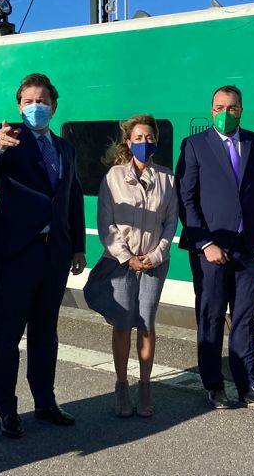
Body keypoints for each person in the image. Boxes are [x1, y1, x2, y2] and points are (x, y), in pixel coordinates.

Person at [0, 73, 86, 439]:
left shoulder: (65, 148)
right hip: (16, 253)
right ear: (20, 106)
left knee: (45, 334)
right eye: (28, 101)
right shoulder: (11, 141)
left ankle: (45, 402)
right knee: (7, 336)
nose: (35, 106)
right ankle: (6, 410)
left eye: (42, 100)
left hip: (54, 254)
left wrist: (78, 246)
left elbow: (71, 198)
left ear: (53, 105)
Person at [176, 85, 254, 410]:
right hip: (210, 250)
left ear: (241, 110)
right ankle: (214, 385)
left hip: (250, 249)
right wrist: (205, 242)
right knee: (210, 317)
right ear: (211, 110)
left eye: (232, 108)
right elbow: (186, 199)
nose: (225, 113)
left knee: (245, 319)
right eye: (219, 107)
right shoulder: (194, 145)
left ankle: (248, 384)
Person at [84, 115, 177, 418]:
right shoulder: (113, 178)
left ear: (156, 141)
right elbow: (105, 223)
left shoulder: (167, 179)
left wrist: (156, 255)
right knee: (123, 325)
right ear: (128, 142)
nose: (144, 143)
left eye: (149, 138)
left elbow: (170, 223)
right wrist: (128, 257)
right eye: (138, 138)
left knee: (147, 325)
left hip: (153, 264)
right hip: (121, 264)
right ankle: (122, 384)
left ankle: (145, 386)